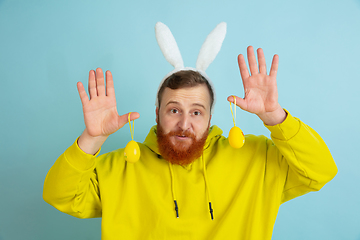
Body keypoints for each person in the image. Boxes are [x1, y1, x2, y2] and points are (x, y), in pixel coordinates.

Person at [43, 23, 337, 240]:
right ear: (157, 112)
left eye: (196, 112)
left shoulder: (256, 160)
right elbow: (60, 195)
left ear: (210, 117)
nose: (185, 124)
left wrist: (275, 117)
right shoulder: (117, 168)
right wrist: (92, 137)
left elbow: (321, 170)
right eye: (174, 110)